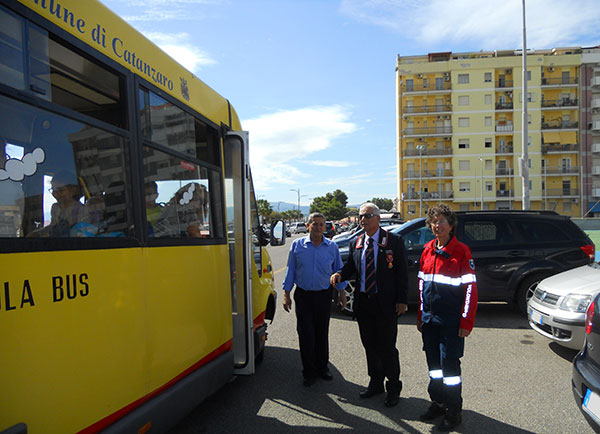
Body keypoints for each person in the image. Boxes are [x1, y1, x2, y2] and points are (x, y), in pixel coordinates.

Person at [330, 202, 408, 407]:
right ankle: (376, 383)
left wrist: (402, 300)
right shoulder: (356, 242)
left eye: (367, 216)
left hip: (386, 304)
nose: (362, 220)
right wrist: (340, 274)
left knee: (387, 347)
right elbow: (350, 267)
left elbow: (402, 273)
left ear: (378, 218)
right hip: (364, 303)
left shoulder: (393, 241)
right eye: (360, 216)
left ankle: (393, 387)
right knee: (369, 346)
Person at [416, 204, 478, 431]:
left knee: (449, 368)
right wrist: (421, 314)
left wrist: (466, 321)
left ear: (451, 226)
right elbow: (422, 284)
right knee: (434, 366)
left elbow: (470, 290)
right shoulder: (427, 250)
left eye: (442, 221)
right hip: (430, 320)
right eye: (433, 221)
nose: (437, 225)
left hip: (451, 322)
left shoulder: (462, 251)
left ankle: (454, 412)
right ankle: (438, 402)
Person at [282, 212, 347, 387]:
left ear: (325, 227)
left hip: (323, 295)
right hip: (303, 296)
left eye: (321, 224)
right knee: (306, 334)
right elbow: (291, 271)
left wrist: (342, 294)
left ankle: (322, 367)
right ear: (308, 225)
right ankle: (308, 372)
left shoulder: (331, 247)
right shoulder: (297, 245)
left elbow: (339, 270)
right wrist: (286, 294)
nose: (318, 227)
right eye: (314, 223)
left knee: (321, 333)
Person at [28, 171, 88, 237]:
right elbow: (52, 226)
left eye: (60, 190)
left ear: (73, 190)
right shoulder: (55, 208)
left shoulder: (82, 210)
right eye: (53, 190)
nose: (55, 194)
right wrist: (37, 233)